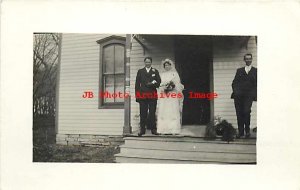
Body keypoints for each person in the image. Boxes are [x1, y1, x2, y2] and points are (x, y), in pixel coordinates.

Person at [231, 53, 257, 138]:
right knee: (239, 113)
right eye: (246, 59)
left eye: (249, 58)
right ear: (244, 60)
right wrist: (236, 92)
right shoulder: (240, 70)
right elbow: (234, 83)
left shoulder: (255, 71)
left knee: (246, 112)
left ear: (252, 59)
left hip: (248, 96)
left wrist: (254, 94)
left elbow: (257, 84)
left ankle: (247, 131)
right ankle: (240, 132)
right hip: (238, 97)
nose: (248, 60)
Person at [157, 58, 184, 135]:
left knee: (172, 110)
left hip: (172, 95)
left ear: (171, 66)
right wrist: (164, 87)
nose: (167, 67)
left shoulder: (174, 74)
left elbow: (178, 84)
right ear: (164, 66)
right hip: (164, 95)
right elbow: (159, 84)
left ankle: (174, 129)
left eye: (168, 65)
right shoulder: (162, 75)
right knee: (164, 111)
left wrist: (172, 87)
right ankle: (163, 129)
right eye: (165, 65)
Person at [135, 57, 161, 136]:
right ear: (144, 62)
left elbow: (159, 83)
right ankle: (142, 130)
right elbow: (137, 85)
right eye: (146, 62)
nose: (147, 63)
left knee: (152, 112)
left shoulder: (155, 71)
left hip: (152, 95)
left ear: (151, 62)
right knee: (143, 113)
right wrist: (138, 96)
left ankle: (153, 129)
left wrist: (152, 84)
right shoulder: (140, 71)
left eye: (149, 62)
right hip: (142, 96)